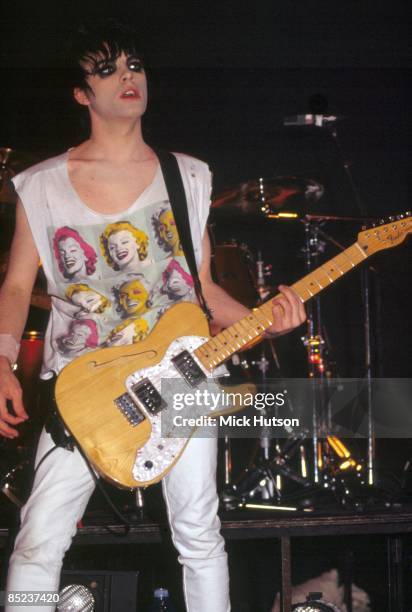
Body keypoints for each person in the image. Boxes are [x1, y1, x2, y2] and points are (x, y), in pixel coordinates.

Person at [0, 19, 306, 612]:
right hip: (84, 384)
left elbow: (201, 287)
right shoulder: (38, 186)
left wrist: (264, 321)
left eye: (134, 65)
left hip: (182, 376)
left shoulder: (187, 176)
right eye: (107, 69)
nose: (127, 77)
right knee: (38, 540)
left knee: (198, 532)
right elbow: (16, 285)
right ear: (81, 93)